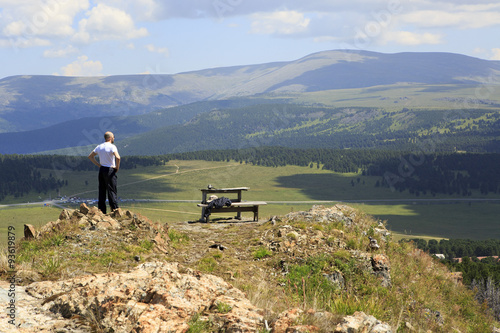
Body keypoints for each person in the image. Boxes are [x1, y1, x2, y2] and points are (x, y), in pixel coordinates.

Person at [88, 131, 121, 214]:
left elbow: (90, 156)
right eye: (113, 137)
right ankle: (114, 210)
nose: (114, 138)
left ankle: (102, 211)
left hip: (102, 169)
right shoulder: (112, 147)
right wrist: (117, 167)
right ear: (109, 138)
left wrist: (99, 165)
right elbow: (118, 157)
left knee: (102, 191)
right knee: (112, 190)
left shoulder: (99, 146)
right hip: (110, 169)